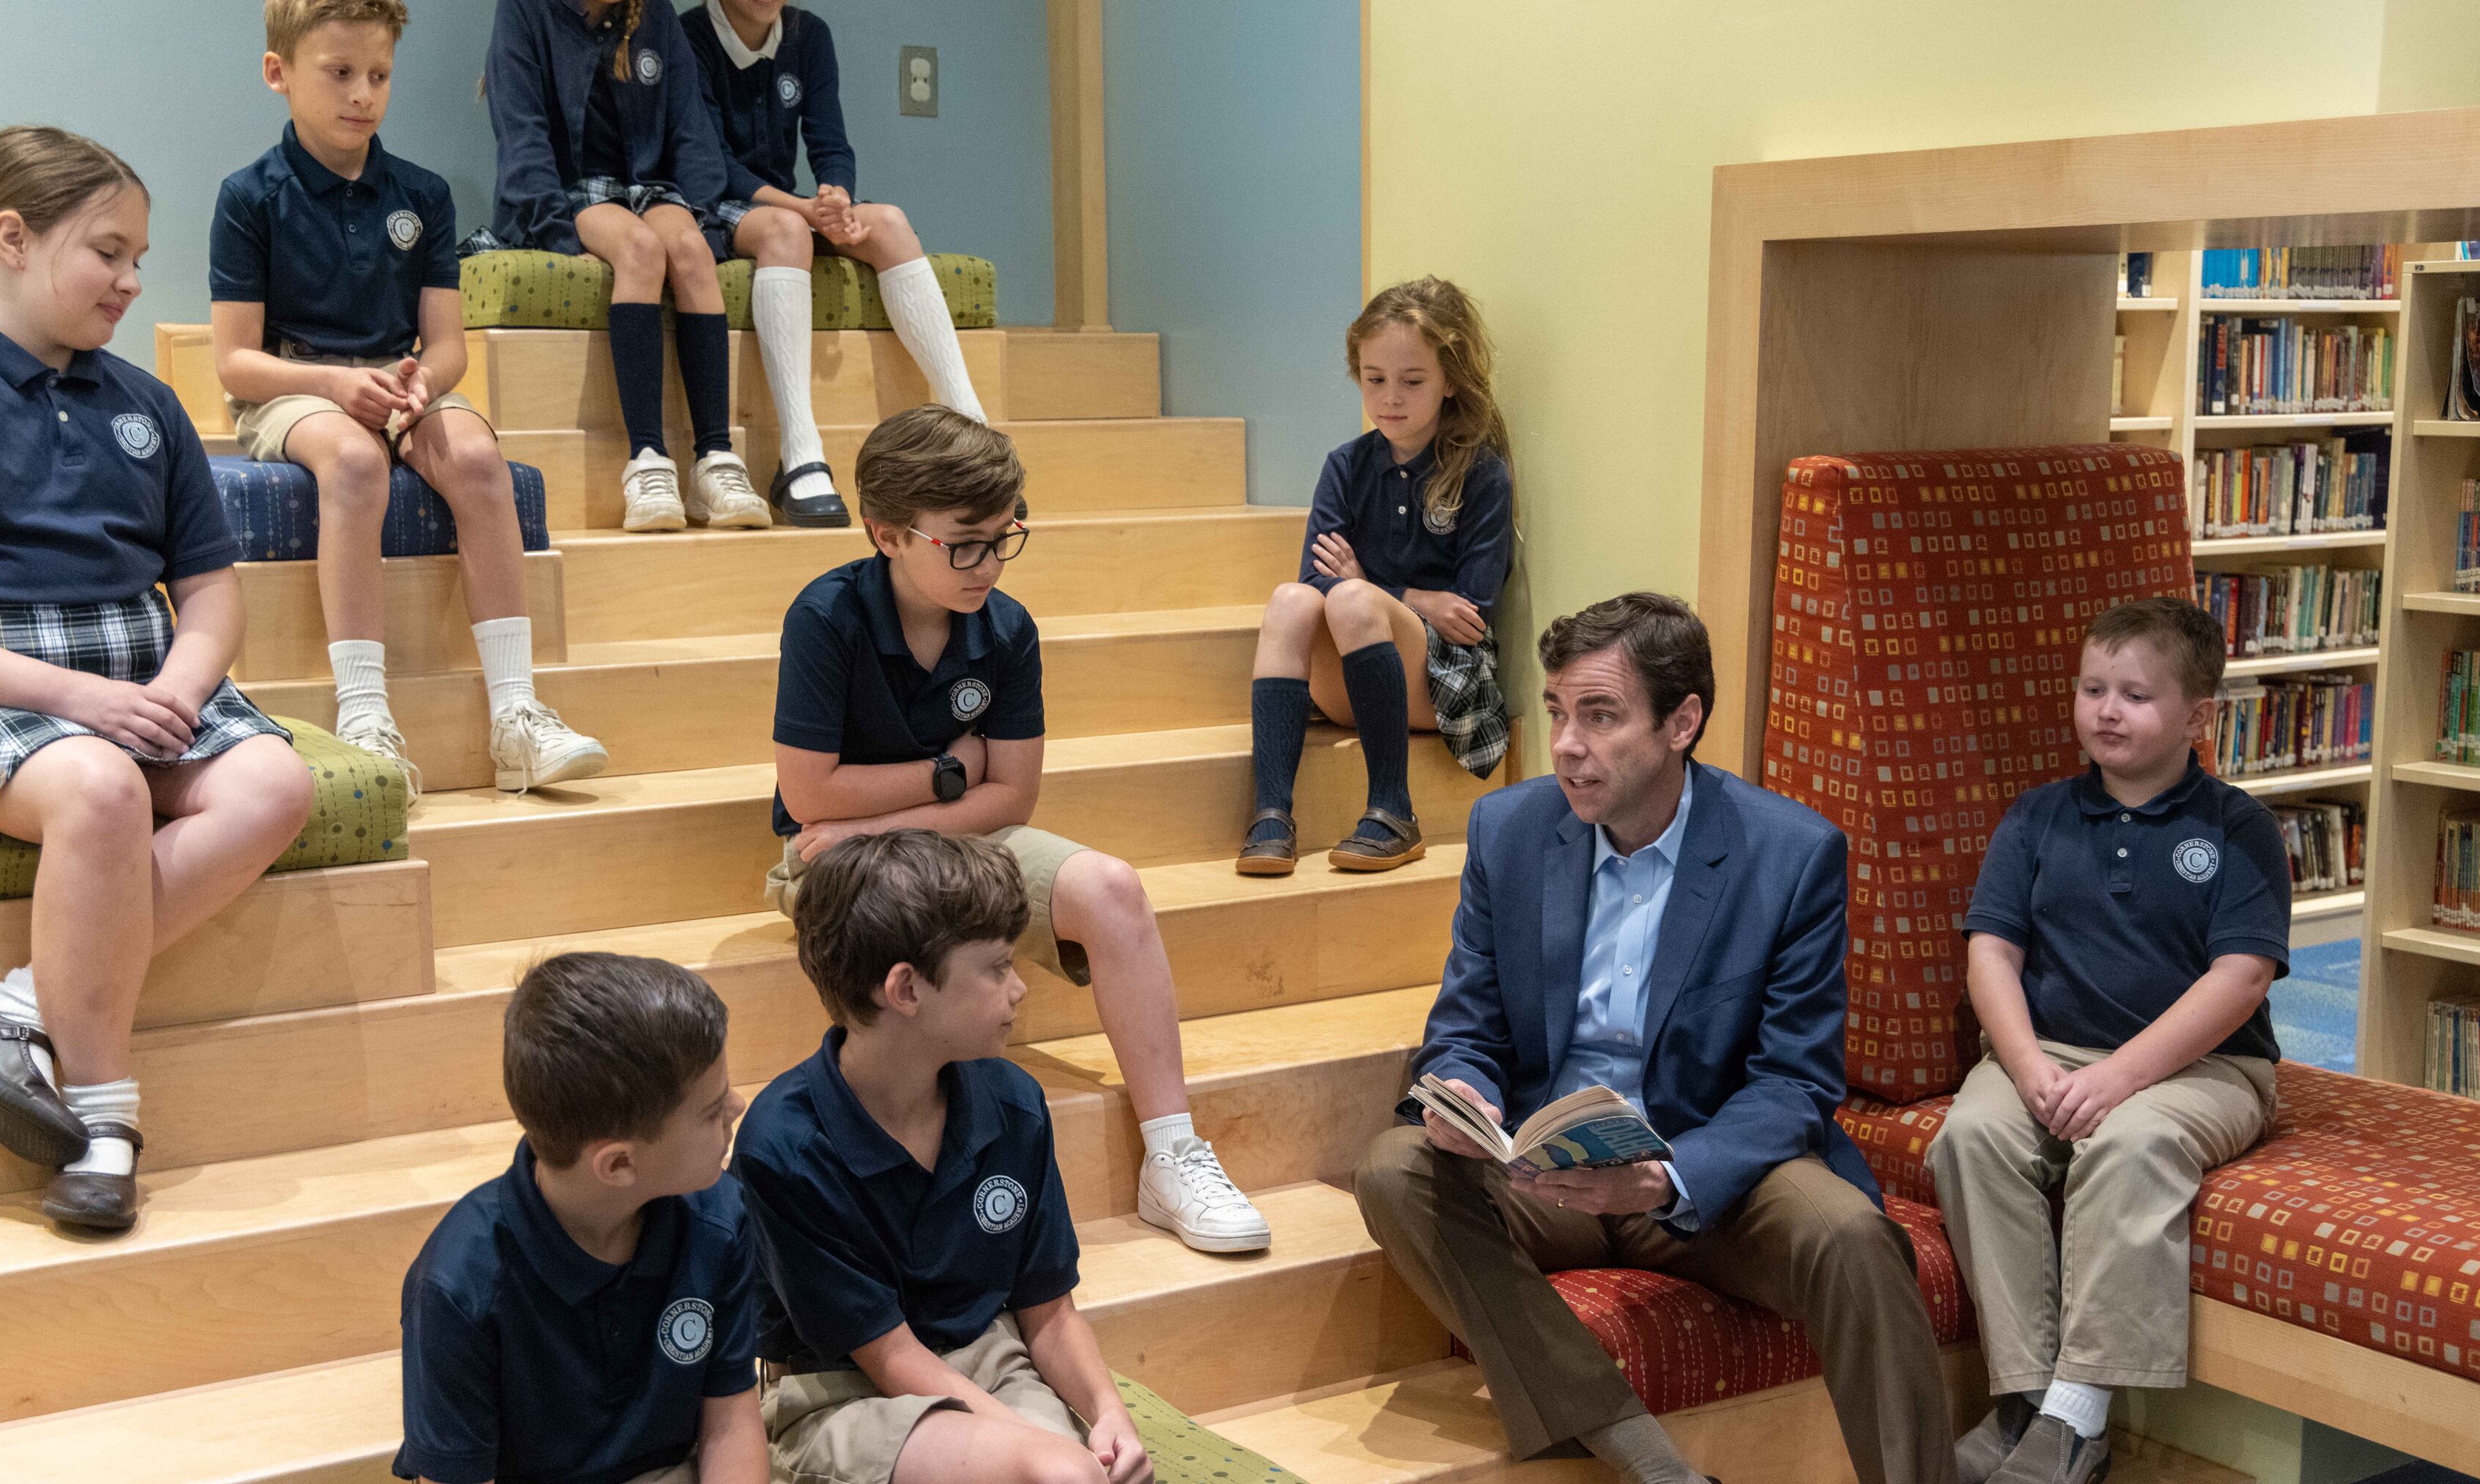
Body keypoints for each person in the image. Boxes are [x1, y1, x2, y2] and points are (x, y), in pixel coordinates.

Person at [0, 126, 316, 1232]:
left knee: (276, 784)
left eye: (138, 258)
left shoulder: (147, 405)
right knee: (99, 787)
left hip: (137, 675)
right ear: (13, 239)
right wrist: (72, 699)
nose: (132, 281)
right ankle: (106, 1118)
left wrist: (184, 684)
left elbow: (211, 591)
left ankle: (17, 1006)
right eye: (108, 253)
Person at [1353, 592, 1951, 1484]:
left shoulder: (1789, 854)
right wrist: (1466, 1087)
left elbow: (1794, 1082)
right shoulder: (1509, 832)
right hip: (1547, 1172)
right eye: (1557, 712)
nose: (1567, 744)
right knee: (1394, 1169)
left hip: (1705, 1177)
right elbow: (1467, 1025)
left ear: (1682, 723)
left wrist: (1667, 1178)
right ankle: (1650, 1464)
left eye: (1600, 716)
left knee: (1852, 1238)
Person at [767, 404, 1270, 1253]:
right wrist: (947, 772)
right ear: (887, 535)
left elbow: (1012, 798)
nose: (990, 564)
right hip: (839, 858)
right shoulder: (826, 617)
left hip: (917, 834)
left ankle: (1172, 1154)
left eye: (1005, 538)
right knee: (926, 930)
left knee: (1110, 888)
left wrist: (888, 815)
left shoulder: (1007, 627)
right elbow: (810, 790)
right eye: (965, 544)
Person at [211, 0, 606, 801]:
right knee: (355, 464)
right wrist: (336, 385)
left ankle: (517, 715)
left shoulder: (422, 194)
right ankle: (365, 714)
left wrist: (421, 383)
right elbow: (236, 363)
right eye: (340, 73)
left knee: (479, 459)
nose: (363, 94)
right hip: (293, 388)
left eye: (380, 75)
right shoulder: (248, 197)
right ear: (279, 72)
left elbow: (448, 345)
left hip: (399, 384)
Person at [1928, 597, 2286, 1484]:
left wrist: (2120, 1077)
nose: (2107, 711)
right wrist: (2025, 1065)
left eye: (2135, 695)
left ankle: (2078, 1418)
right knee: (1972, 1136)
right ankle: (2024, 1403)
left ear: (2198, 718)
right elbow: (1991, 953)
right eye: (2093, 690)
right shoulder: (2037, 816)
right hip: (2047, 1054)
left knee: (2130, 1146)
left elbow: (2241, 978)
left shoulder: (2238, 828)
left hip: (2203, 1069)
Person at [734, 831, 1152, 1484]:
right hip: (840, 1394)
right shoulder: (784, 1146)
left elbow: (1048, 1312)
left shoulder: (1013, 1103)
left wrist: (1107, 1412)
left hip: (990, 1361)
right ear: (905, 989)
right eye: (997, 967)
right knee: (1054, 1472)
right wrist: (1037, 1451)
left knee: (1079, 1471)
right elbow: (887, 1356)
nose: (1019, 988)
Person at [680, 0, 990, 530]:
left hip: (793, 205)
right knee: (788, 232)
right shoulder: (687, 38)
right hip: (716, 205)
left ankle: (975, 438)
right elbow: (712, 166)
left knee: (891, 222)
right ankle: (800, 456)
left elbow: (830, 141)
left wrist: (836, 195)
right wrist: (803, 208)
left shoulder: (809, 35)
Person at [395, 952, 765, 1484]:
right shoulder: (458, 1286)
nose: (738, 1106)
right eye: (711, 1112)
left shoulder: (719, 1218)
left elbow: (731, 1425)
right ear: (619, 1165)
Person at [483, 0, 768, 533]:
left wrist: (700, 215)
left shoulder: (657, 15)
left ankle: (716, 459)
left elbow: (691, 130)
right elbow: (521, 132)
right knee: (640, 249)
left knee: (687, 248)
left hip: (647, 189)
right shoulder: (522, 8)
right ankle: (647, 461)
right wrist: (557, 231)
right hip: (567, 193)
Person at [1241, 277, 1512, 878]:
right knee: (1289, 600)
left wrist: (1369, 587)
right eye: (1374, 379)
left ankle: (1394, 810)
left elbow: (1470, 612)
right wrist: (1412, 596)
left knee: (1352, 601)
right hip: (1354, 677)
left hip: (1444, 686)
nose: (1390, 398)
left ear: (1449, 380)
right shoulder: (1346, 465)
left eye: (1412, 382)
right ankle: (1271, 815)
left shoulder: (1480, 472)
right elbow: (1315, 578)